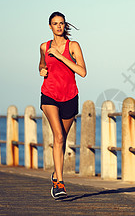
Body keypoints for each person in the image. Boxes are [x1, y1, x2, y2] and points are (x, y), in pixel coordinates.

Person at [39, 11, 87, 198]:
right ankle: (59, 183)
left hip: (69, 96)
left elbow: (82, 72)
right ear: (50, 26)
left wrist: (60, 56)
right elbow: (41, 65)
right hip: (49, 95)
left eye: (61, 23)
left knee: (62, 139)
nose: (58, 26)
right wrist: (42, 70)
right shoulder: (44, 46)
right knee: (58, 135)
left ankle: (55, 174)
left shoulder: (73, 46)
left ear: (64, 25)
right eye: (55, 23)